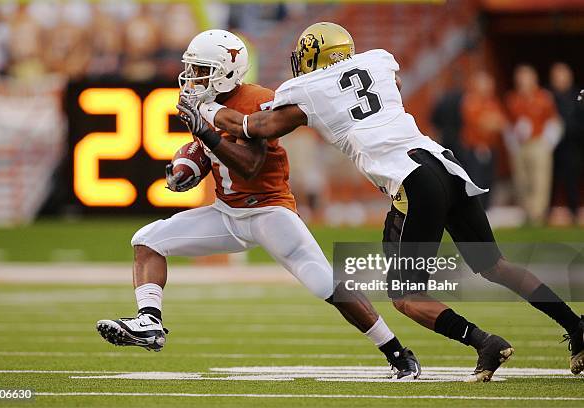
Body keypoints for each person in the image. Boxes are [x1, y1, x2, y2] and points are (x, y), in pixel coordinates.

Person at [178, 22, 584, 381]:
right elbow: (391, 89)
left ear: (311, 59)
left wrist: (208, 111)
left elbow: (257, 126)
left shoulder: (307, 89)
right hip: (445, 164)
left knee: (406, 296)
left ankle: (485, 343)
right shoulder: (379, 61)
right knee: (495, 264)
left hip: (411, 180)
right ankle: (576, 328)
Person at [96, 29, 421, 380]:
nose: (193, 78)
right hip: (227, 213)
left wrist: (204, 133)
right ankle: (149, 322)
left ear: (228, 70)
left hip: (269, 211)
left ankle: (398, 353)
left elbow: (249, 163)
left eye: (202, 70)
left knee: (325, 283)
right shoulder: (202, 101)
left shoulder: (257, 100)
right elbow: (211, 151)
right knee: (147, 241)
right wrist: (188, 169)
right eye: (191, 68)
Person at [505, 65, 562, 225]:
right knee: (522, 180)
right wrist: (512, 144)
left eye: (526, 77)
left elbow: (554, 121)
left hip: (538, 143)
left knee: (540, 179)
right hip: (520, 145)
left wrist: (548, 143)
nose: (522, 81)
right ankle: (527, 212)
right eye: (520, 78)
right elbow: (508, 124)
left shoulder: (543, 97)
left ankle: (537, 214)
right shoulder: (513, 98)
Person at [460, 71, 507, 209]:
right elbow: (481, 123)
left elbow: (501, 123)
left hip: (491, 147)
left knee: (489, 180)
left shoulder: (492, 101)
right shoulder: (471, 100)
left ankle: (487, 209)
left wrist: (491, 121)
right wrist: (491, 121)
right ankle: (477, 210)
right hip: (475, 147)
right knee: (477, 180)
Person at [549, 62, 583, 224]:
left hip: (573, 145)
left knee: (572, 179)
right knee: (551, 180)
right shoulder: (548, 96)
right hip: (552, 147)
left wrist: (567, 128)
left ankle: (574, 211)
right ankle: (547, 212)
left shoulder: (578, 95)